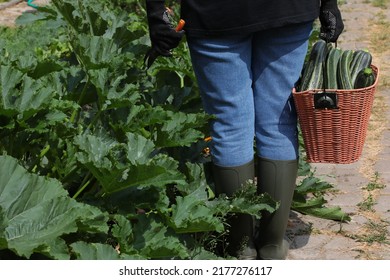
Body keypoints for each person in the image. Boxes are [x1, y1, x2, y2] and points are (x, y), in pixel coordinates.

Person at [145, 0, 344, 260]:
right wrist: (329, 4)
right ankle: (272, 244)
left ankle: (240, 245)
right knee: (278, 121)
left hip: (216, 15)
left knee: (229, 124)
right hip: (288, 9)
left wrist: (157, 13)